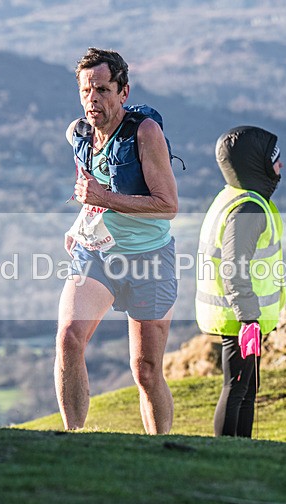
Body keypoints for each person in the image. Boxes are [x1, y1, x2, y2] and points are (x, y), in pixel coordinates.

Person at [54, 48, 179, 434]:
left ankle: (161, 452)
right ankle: (74, 440)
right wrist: (80, 223)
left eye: (103, 89)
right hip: (97, 255)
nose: (94, 99)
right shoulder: (80, 135)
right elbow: (91, 189)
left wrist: (103, 199)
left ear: (123, 92)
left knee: (145, 370)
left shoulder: (145, 133)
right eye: (87, 90)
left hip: (148, 258)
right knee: (69, 340)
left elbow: (167, 205)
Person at [195, 126, 286, 437]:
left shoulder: (236, 197)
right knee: (236, 389)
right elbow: (234, 267)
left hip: (242, 315)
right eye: (274, 159)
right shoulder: (247, 208)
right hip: (240, 317)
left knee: (246, 388)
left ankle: (242, 450)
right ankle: (226, 454)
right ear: (256, 165)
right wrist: (248, 317)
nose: (280, 165)